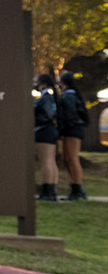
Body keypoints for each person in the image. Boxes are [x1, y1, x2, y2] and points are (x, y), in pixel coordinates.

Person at [56, 71, 89, 201]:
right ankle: (75, 186)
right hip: (72, 130)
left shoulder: (69, 97)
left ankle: (78, 188)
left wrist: (63, 130)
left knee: (72, 158)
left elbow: (69, 116)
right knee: (66, 159)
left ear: (64, 82)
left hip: (72, 130)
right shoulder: (70, 96)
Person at [34, 73, 62, 203]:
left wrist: (37, 120)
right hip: (50, 131)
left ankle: (47, 190)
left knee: (46, 161)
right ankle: (52, 190)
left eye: (37, 81)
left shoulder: (45, 98)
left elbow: (47, 114)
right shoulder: (51, 97)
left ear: (42, 83)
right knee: (51, 161)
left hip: (44, 131)